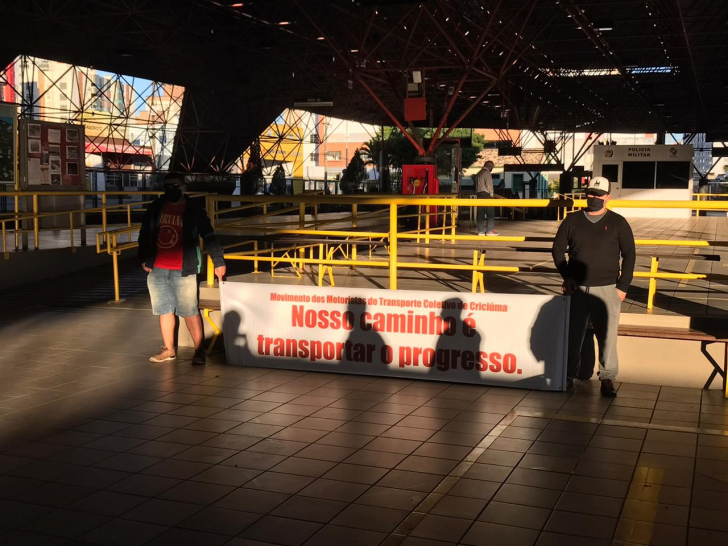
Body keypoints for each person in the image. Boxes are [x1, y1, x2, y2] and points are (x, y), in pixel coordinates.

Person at [551, 176, 635, 397]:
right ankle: (568, 374)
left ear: (608, 197)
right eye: (590, 193)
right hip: (576, 289)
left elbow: (629, 255)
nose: (594, 198)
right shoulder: (572, 220)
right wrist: (567, 276)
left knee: (607, 336)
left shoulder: (619, 222)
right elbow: (557, 250)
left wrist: (622, 286)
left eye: (599, 195)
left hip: (608, 289)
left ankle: (607, 377)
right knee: (573, 334)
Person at [138, 173, 226, 365]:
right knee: (164, 310)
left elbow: (208, 234)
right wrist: (144, 258)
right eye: (167, 186)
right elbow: (144, 233)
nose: (171, 189)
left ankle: (198, 350)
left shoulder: (194, 209)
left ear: (183, 187)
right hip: (158, 268)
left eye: (175, 186)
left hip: (184, 268)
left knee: (189, 311)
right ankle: (168, 349)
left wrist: (218, 260)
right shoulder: (156, 208)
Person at [475, 160, 499, 236]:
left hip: (479, 195)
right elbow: (489, 185)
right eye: (492, 167)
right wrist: (491, 194)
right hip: (486, 195)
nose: (492, 169)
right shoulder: (487, 173)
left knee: (480, 213)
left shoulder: (479, 173)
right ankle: (489, 230)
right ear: (489, 166)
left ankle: (480, 231)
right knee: (490, 213)